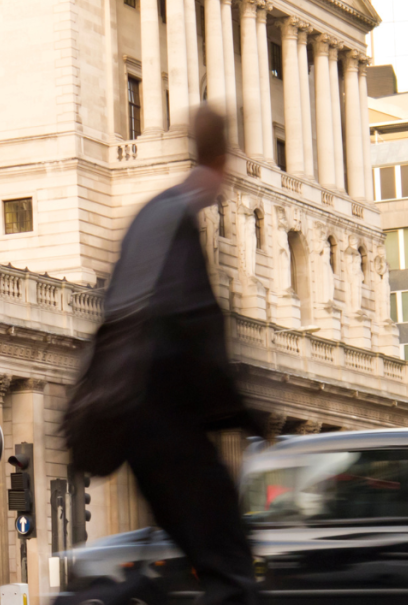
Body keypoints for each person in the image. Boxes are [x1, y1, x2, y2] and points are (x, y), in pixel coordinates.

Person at [109, 106, 262, 605]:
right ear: (222, 159)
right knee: (230, 566)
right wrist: (243, 415)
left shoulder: (153, 212)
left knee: (192, 561)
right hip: (165, 422)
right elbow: (195, 325)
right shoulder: (179, 219)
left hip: (133, 421)